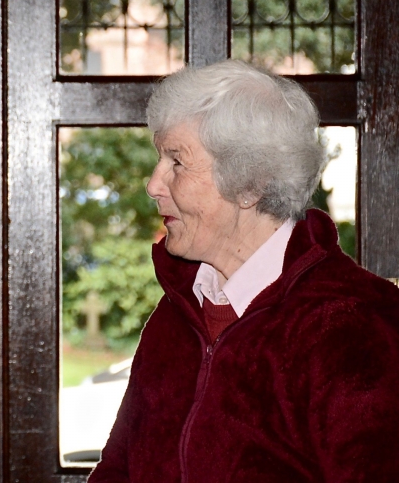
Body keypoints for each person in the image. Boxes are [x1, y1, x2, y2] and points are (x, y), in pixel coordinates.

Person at [89, 60, 399, 482]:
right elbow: (118, 471)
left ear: (249, 184)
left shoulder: (355, 325)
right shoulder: (176, 314)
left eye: (176, 162)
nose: (153, 184)